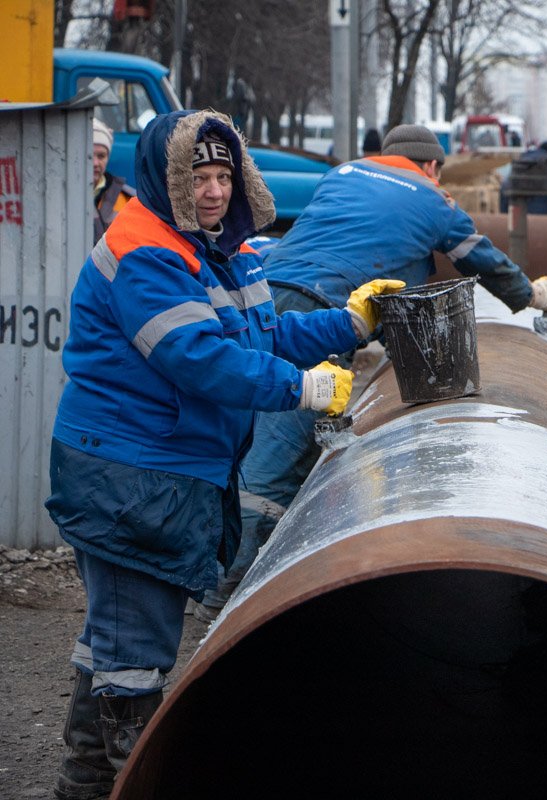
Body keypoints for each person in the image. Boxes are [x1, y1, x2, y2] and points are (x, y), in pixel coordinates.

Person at [45, 108, 407, 799]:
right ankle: (134, 776)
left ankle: (85, 784)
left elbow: (258, 334)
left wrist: (348, 323)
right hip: (129, 474)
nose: (212, 191)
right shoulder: (147, 252)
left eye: (222, 175)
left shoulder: (224, 245)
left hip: (161, 471)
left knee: (115, 639)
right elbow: (199, 359)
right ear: (166, 179)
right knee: (137, 656)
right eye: (197, 176)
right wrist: (302, 390)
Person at [193, 123, 547, 621]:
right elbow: (482, 260)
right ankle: (219, 597)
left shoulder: (342, 174)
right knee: (274, 457)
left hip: (261, 296)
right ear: (432, 166)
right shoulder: (432, 199)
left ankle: (254, 570)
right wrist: (529, 295)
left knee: (254, 437)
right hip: (317, 314)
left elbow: (382, 266)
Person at [90, 118, 134, 243]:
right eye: (89, 155)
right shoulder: (60, 196)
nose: (95, 163)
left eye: (101, 156)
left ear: (108, 157)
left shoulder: (127, 199)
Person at [499, 141, 547, 216]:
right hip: (544, 218)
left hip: (518, 217)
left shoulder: (521, 160)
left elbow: (505, 188)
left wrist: (505, 216)